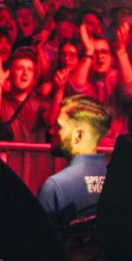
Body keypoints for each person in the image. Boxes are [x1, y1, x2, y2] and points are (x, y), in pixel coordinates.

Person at [37, 94, 113, 226]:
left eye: (59, 126)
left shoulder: (55, 187)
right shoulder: (116, 179)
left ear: (78, 135)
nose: (51, 131)